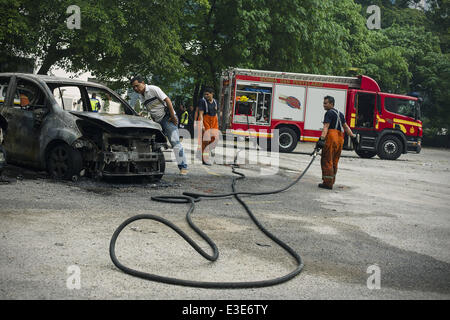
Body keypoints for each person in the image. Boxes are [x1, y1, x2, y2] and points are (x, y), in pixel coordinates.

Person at [130, 76, 188, 175]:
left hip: (167, 118)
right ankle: (153, 167)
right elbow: (151, 110)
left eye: (137, 86)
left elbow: (167, 100)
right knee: (154, 143)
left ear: (143, 83)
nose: (136, 89)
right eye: (133, 87)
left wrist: (173, 116)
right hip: (157, 122)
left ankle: (183, 167)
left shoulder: (153, 89)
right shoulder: (141, 96)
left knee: (174, 141)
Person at [316, 95, 356, 190]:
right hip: (339, 139)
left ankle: (327, 183)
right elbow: (345, 127)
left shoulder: (329, 113)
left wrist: (321, 139)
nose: (324, 105)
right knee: (334, 161)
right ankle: (332, 180)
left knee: (327, 160)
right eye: (323, 103)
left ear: (331, 104)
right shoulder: (340, 113)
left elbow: (326, 127)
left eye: (325, 103)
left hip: (331, 137)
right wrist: (353, 137)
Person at [198, 87, 219, 165]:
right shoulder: (202, 101)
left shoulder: (216, 102)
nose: (206, 96)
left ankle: (208, 151)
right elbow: (201, 114)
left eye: (207, 94)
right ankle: (205, 159)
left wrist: (217, 123)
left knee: (215, 139)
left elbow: (216, 113)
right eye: (205, 94)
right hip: (206, 120)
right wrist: (202, 125)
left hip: (214, 121)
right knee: (206, 141)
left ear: (212, 94)